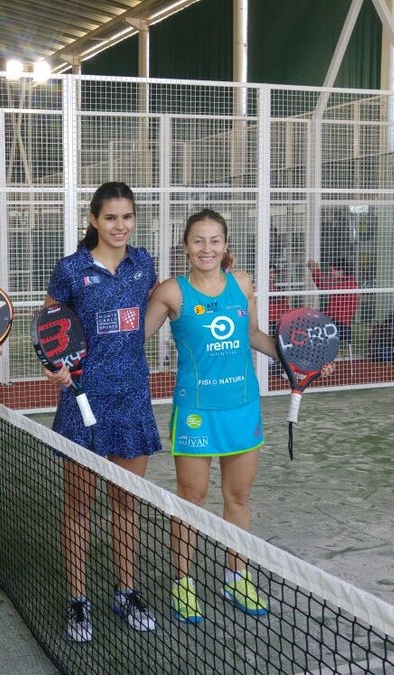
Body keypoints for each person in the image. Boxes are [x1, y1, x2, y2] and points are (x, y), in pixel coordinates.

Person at [144, 207, 282, 622]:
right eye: (198, 241)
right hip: (196, 413)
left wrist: (297, 361)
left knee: (238, 497)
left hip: (242, 408)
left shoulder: (241, 282)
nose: (207, 248)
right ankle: (183, 584)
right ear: (186, 247)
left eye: (215, 241)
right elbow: (133, 341)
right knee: (192, 498)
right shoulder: (171, 291)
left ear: (226, 246)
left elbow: (255, 335)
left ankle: (237, 577)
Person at [42, 181, 161, 643]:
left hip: (132, 399)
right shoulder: (71, 270)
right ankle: (78, 600)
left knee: (126, 502)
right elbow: (50, 324)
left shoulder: (142, 264)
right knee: (79, 506)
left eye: (127, 216)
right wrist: (54, 366)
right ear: (94, 220)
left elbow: (167, 298)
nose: (120, 226)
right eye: (110, 217)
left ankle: (125, 590)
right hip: (82, 400)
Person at [306, 258, 357, 343]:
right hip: (332, 321)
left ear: (341, 270)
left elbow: (326, 286)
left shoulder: (349, 283)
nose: (330, 273)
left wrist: (315, 271)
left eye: (332, 270)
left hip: (339, 324)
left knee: (310, 331)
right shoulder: (343, 282)